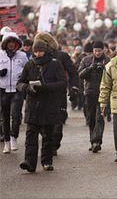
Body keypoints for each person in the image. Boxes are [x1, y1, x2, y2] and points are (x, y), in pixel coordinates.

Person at [17, 36, 66, 172]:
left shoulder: (55, 64)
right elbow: (20, 83)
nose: (38, 54)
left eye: (40, 51)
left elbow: (62, 83)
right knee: (30, 136)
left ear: (46, 51)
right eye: (36, 51)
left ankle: (46, 161)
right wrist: (27, 88)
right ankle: (29, 162)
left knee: (48, 136)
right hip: (33, 106)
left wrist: (45, 87)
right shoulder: (29, 64)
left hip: (49, 106)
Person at [33, 32, 79, 156]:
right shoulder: (35, 58)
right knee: (43, 123)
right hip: (41, 95)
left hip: (58, 94)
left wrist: (74, 88)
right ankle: (48, 145)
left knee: (58, 123)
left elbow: (73, 72)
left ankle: (53, 145)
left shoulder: (62, 56)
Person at [78, 41, 110, 152]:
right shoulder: (86, 60)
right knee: (91, 118)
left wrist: (104, 69)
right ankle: (92, 141)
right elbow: (80, 74)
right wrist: (90, 68)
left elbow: (113, 76)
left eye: (99, 51)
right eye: (95, 51)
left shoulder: (108, 61)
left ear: (103, 50)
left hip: (103, 93)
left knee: (100, 117)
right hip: (89, 92)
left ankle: (97, 141)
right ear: (93, 50)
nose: (97, 53)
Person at [0, 32, 27, 153]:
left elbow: (28, 70)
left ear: (17, 43)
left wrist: (23, 81)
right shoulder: (0, 55)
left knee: (16, 115)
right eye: (8, 42)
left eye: (13, 42)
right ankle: (6, 142)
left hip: (17, 89)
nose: (11, 44)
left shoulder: (22, 56)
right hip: (3, 90)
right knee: (4, 117)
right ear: (5, 43)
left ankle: (13, 137)